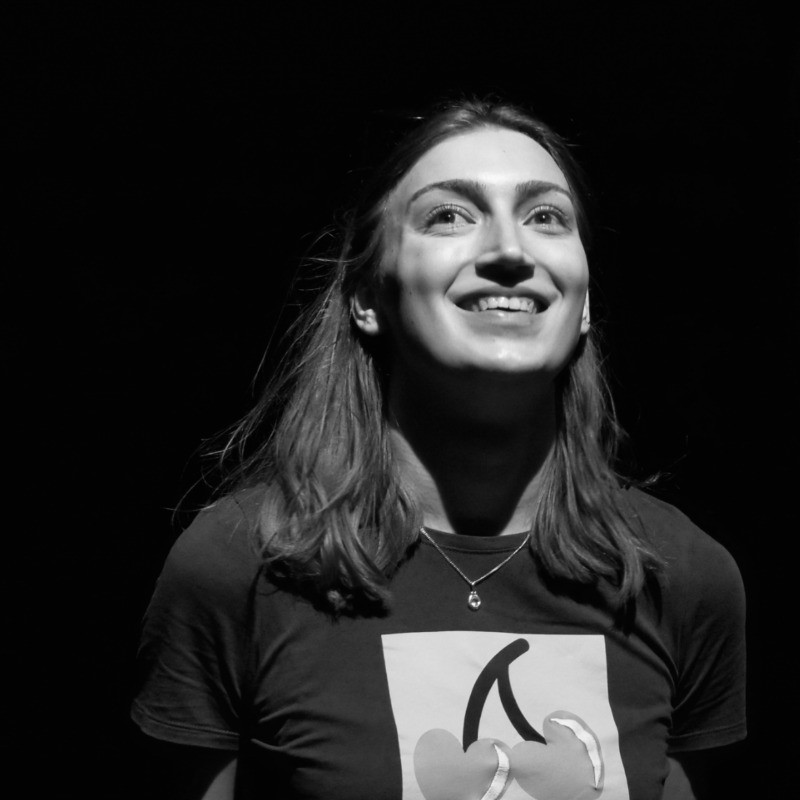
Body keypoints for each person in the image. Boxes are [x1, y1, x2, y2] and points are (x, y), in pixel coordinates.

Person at [131, 98, 746, 800]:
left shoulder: (684, 577)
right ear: (368, 296)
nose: (510, 251)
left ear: (581, 304)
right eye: (449, 215)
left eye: (546, 217)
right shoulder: (238, 568)